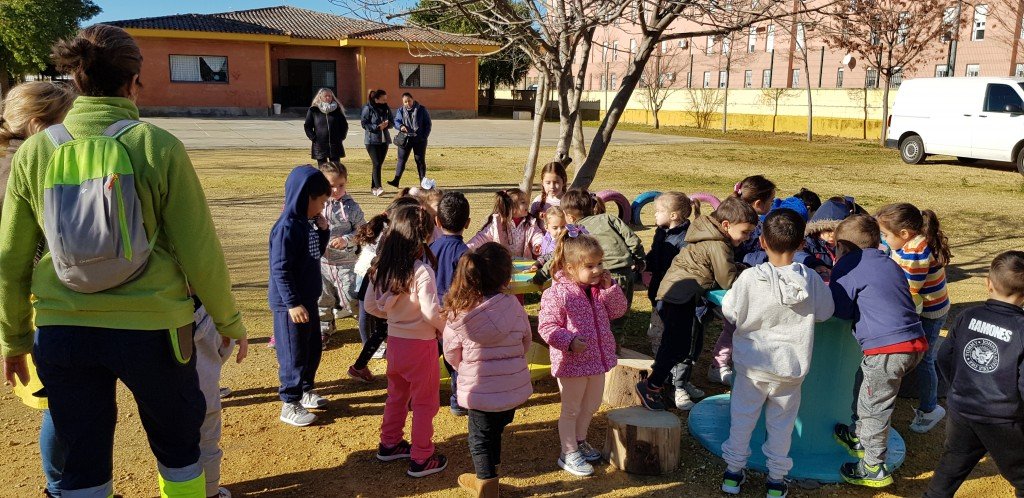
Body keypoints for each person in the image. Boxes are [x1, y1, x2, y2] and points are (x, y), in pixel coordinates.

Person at [0, 25, 245, 497]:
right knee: (178, 448)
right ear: (133, 81)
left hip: (63, 328)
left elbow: (10, 258)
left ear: (75, 78)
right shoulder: (158, 146)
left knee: (82, 458)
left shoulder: (35, 151)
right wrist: (228, 318)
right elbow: (200, 250)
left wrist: (13, 337)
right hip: (155, 330)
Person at [719, 209, 834, 497]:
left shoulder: (748, 278)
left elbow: (730, 310)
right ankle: (776, 481)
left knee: (742, 419)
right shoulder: (811, 279)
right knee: (782, 426)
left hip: (752, 366)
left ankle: (732, 474)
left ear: (762, 243)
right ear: (800, 245)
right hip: (790, 369)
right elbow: (826, 312)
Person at [1, 80, 76, 498]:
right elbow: (16, 255)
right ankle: (59, 488)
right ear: (36, 125)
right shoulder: (27, 165)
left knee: (61, 399)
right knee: (60, 402)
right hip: (36, 300)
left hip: (25, 298)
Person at [828, 214, 926, 488]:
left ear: (842, 247)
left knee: (874, 407)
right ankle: (857, 435)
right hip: (912, 342)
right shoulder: (889, 262)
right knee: (865, 385)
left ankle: (873, 466)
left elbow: (841, 310)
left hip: (887, 350)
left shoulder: (847, 266)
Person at [636, 196, 758, 411]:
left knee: (675, 345)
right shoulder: (718, 244)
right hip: (677, 298)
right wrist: (749, 276)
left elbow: (721, 269)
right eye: (745, 232)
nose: (747, 238)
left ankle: (657, 382)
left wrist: (737, 267)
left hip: (675, 295)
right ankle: (651, 386)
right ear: (727, 225)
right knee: (677, 346)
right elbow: (727, 280)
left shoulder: (710, 236)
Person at [924, 251, 1024, 498]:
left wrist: (959, 389)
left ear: (988, 283)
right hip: (1003, 419)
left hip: (962, 410)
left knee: (951, 467)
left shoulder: (967, 316)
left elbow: (944, 358)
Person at [443, 243, 533, 496]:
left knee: (479, 439)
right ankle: (491, 473)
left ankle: (487, 485)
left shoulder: (459, 312)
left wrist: (464, 368)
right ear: (506, 276)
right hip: (511, 388)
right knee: (496, 432)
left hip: (479, 389)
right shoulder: (514, 306)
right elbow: (526, 340)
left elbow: (450, 351)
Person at [365, 205, 448, 478]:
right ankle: (422, 457)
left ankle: (389, 443)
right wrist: (446, 327)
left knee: (396, 395)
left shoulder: (380, 268)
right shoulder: (422, 271)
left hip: (395, 344)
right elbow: (430, 312)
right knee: (425, 403)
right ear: (422, 235)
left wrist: (393, 316)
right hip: (421, 346)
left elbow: (369, 306)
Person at [537, 230, 627, 477]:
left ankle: (579, 440)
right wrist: (568, 340)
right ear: (569, 267)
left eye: (600, 263)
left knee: (591, 405)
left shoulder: (598, 289)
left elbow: (618, 311)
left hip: (597, 360)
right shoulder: (557, 293)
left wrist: (611, 290)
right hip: (572, 363)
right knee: (571, 409)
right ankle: (568, 452)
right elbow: (546, 326)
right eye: (590, 266)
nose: (597, 270)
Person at [875, 202, 952, 434]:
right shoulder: (910, 243)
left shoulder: (915, 252)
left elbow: (909, 290)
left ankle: (929, 409)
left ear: (905, 234)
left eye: (886, 235)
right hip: (929, 307)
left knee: (924, 360)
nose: (884, 240)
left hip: (929, 312)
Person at [534, 189, 645, 345]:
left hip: (601, 276)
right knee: (621, 313)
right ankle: (616, 346)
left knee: (602, 315)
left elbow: (557, 256)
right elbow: (633, 240)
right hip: (626, 273)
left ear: (569, 217)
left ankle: (606, 348)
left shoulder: (576, 231)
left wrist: (539, 276)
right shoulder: (609, 218)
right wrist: (640, 260)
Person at [269, 165, 332, 427]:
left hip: (307, 299)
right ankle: (290, 402)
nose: (322, 207)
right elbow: (280, 268)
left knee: (311, 348)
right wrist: (292, 303)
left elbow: (315, 253)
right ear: (305, 197)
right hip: (290, 305)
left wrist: (324, 230)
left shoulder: (308, 223)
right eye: (320, 201)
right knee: (293, 352)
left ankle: (305, 389)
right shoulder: (287, 228)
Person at [708, 175, 777, 387]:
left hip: (739, 280)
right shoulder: (748, 228)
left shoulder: (743, 222)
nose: (773, 205)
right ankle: (718, 366)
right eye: (771, 201)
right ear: (758, 203)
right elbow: (743, 256)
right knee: (733, 327)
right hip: (733, 283)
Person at [347, 196, 421, 382]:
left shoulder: (387, 232)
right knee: (383, 327)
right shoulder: (392, 237)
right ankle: (362, 365)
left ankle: (360, 366)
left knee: (382, 329)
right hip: (375, 282)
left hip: (374, 281)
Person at [644, 192, 703, 409]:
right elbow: (654, 256)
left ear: (674, 215)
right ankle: (666, 380)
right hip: (659, 295)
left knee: (678, 342)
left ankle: (678, 385)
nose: (655, 216)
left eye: (658, 212)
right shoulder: (661, 232)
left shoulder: (687, 238)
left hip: (677, 299)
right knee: (658, 337)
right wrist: (644, 264)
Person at [192, 297, 248, 498]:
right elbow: (223, 350)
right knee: (206, 435)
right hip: (203, 387)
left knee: (169, 442)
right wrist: (232, 325)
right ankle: (210, 492)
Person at [430, 191, 472, 416]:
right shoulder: (465, 254)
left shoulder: (430, 249)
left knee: (428, 359)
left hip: (430, 316)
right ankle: (458, 400)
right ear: (467, 223)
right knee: (457, 361)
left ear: (437, 221)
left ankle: (415, 396)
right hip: (455, 318)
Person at [317, 161, 365, 348]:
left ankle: (367, 329)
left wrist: (347, 240)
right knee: (322, 297)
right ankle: (325, 327)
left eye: (341, 185)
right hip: (321, 262)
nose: (336, 189)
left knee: (352, 297)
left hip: (346, 263)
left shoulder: (352, 208)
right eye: (331, 185)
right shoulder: (316, 204)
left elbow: (363, 232)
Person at [468, 188, 543, 259]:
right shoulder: (497, 224)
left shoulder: (530, 222)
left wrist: (537, 244)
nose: (527, 204)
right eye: (523, 202)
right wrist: (467, 248)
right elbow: (482, 237)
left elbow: (537, 234)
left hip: (524, 263)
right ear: (511, 207)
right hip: (502, 263)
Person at [389, 92, 432, 188]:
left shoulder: (421, 109)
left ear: (413, 100)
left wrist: (424, 136)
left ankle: (422, 182)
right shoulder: (400, 110)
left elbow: (428, 124)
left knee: (420, 160)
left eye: (409, 101)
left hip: (419, 139)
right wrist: (401, 127)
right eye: (405, 102)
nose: (407, 103)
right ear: (403, 102)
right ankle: (396, 180)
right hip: (405, 139)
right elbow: (396, 121)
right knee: (401, 160)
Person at [361, 89, 392, 197]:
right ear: (376, 99)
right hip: (371, 141)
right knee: (377, 163)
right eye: (383, 99)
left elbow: (392, 122)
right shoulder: (368, 108)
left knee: (378, 165)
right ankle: (379, 187)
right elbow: (364, 124)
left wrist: (387, 125)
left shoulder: (386, 108)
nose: (385, 101)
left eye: (386, 99)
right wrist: (377, 127)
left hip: (384, 140)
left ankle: (373, 187)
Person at [303, 88, 347, 165]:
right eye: (326, 96)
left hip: (335, 144)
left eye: (330, 96)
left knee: (335, 169)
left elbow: (344, 125)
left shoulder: (337, 109)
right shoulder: (313, 110)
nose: (328, 98)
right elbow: (308, 126)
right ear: (320, 97)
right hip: (319, 145)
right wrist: (313, 138)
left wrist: (341, 137)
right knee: (322, 169)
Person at [534, 206, 568, 270]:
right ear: (546, 227)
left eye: (563, 227)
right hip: (544, 268)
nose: (560, 230)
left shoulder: (565, 241)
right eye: (555, 228)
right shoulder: (547, 236)